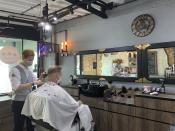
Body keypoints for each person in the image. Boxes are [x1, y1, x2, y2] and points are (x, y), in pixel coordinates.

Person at [22, 66, 93, 131]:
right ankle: (88, 128)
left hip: (41, 120)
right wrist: (78, 103)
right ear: (57, 76)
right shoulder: (57, 90)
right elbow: (70, 106)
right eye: (60, 74)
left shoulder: (39, 90)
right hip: (56, 119)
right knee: (84, 108)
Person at [9, 49, 44, 131]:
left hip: (29, 101)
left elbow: (36, 81)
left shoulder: (29, 69)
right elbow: (16, 87)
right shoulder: (15, 70)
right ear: (23, 58)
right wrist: (33, 83)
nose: (31, 62)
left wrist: (41, 77)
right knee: (19, 126)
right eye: (29, 59)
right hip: (18, 102)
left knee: (30, 125)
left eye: (32, 59)